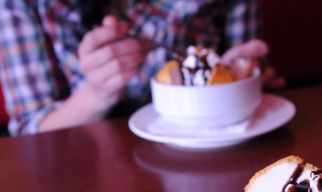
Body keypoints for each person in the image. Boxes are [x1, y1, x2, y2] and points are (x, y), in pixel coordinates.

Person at [0, 0, 284, 136]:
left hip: (213, 148)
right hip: (91, 172)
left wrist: (238, 77)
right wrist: (96, 94)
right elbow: (29, 128)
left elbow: (253, 73)